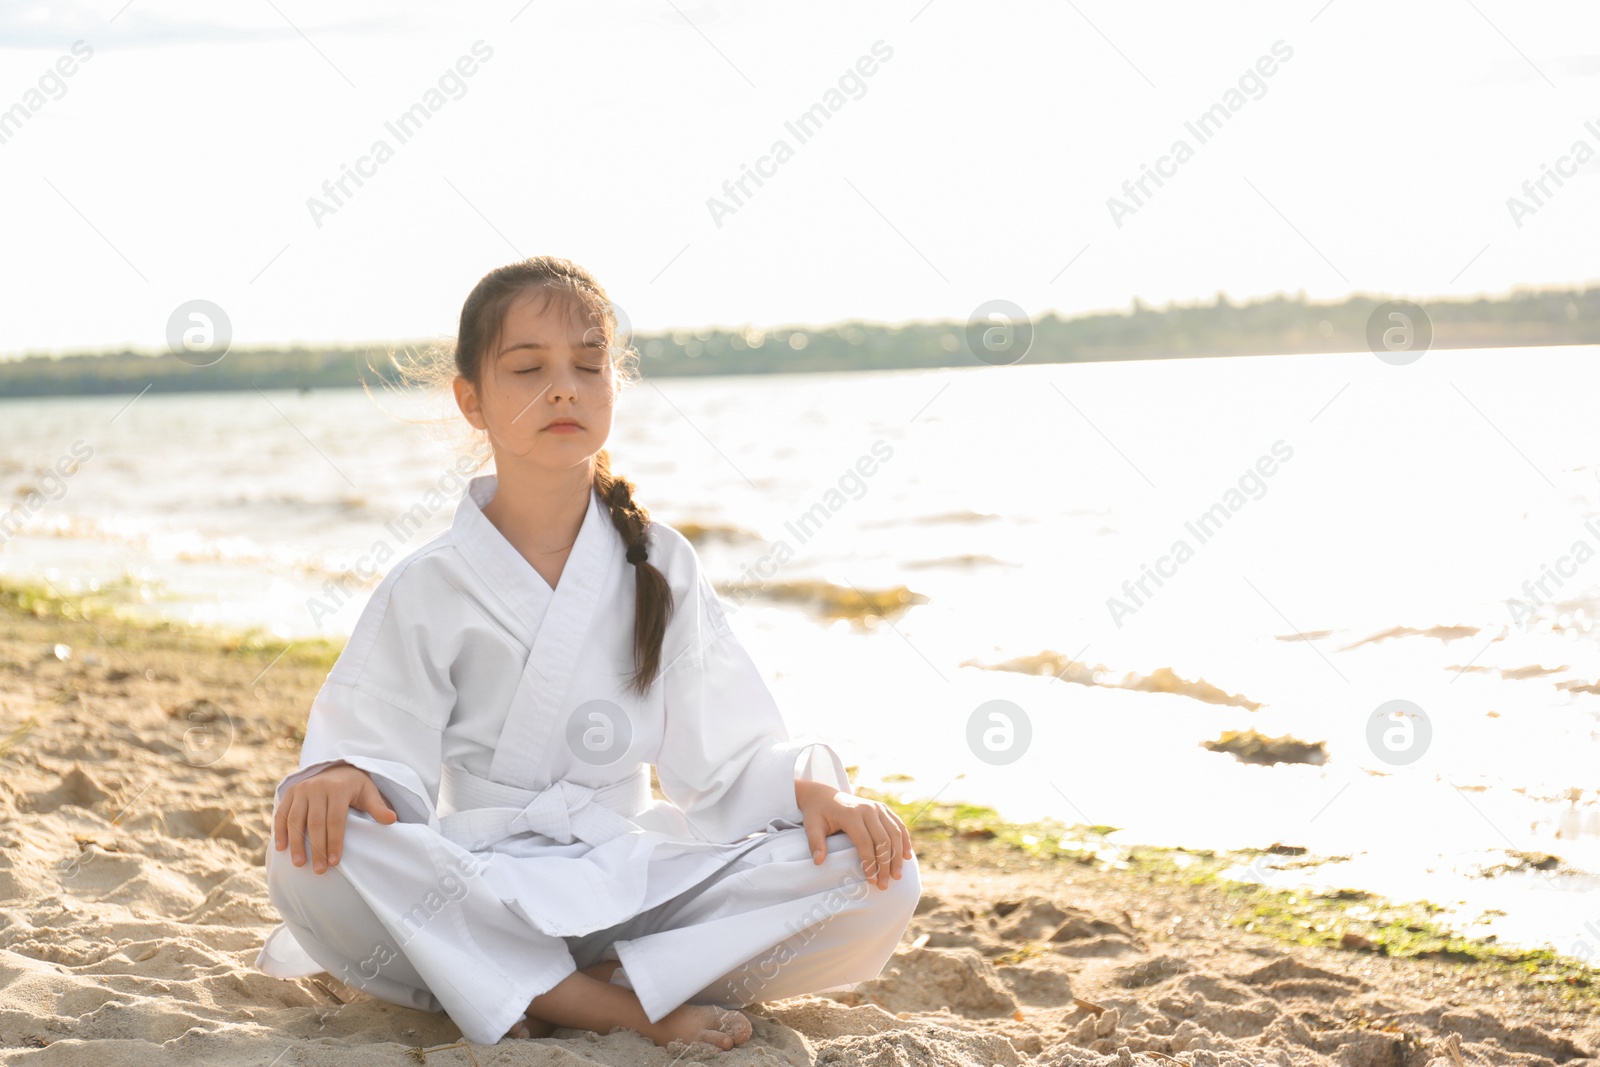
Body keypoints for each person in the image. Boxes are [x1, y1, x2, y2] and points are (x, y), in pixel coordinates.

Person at [254, 256, 920, 1050]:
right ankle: (615, 1000)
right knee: (312, 851)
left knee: (877, 872)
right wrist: (341, 772)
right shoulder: (427, 583)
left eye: (588, 364)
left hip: (629, 872)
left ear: (613, 386)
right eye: (529, 368)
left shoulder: (660, 562)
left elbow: (727, 760)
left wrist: (810, 790)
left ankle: (547, 982)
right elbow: (377, 753)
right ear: (471, 400)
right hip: (478, 880)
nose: (563, 387)